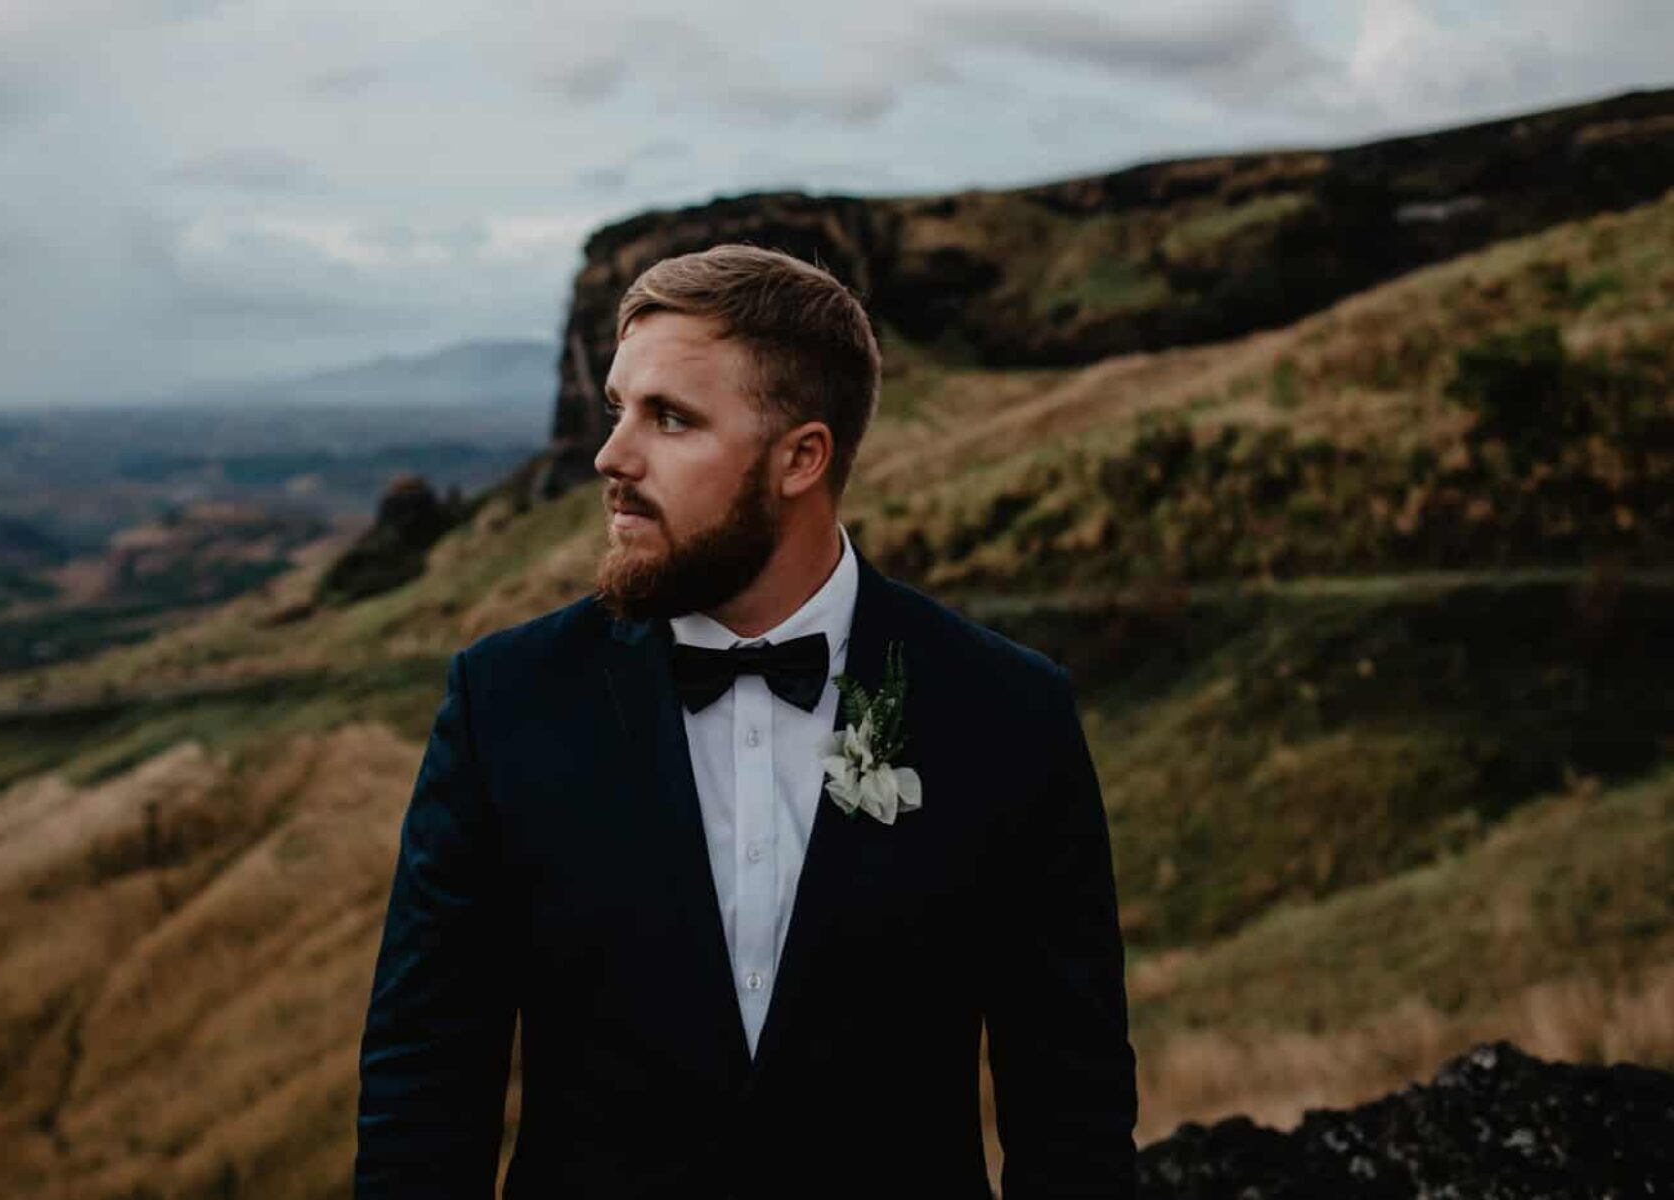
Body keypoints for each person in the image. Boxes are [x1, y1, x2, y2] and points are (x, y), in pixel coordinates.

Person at [353, 244, 1138, 1199]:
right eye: (617, 410)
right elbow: (425, 1088)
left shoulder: (1007, 713)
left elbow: (1074, 1113)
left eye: (670, 420)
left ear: (802, 456)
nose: (611, 456)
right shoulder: (504, 702)